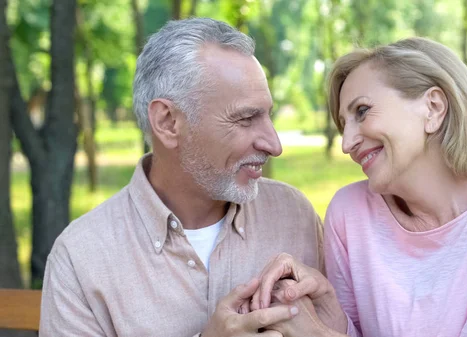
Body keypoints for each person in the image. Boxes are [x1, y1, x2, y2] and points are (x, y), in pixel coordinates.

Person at [250, 37, 467, 337]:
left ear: (433, 108)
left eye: (362, 111)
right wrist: (325, 313)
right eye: (343, 124)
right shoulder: (350, 213)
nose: (347, 143)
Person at [39, 18, 324, 337]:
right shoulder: (81, 258)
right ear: (168, 122)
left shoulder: (295, 215)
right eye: (246, 118)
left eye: (267, 115)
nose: (274, 144)